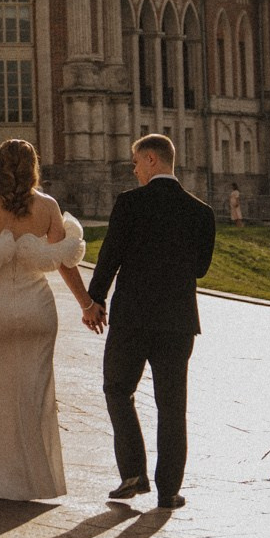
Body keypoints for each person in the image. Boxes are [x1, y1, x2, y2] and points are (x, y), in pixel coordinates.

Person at [0, 139, 93, 501]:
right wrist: (86, 303)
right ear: (34, 168)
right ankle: (36, 479)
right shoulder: (48, 206)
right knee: (36, 391)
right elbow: (65, 261)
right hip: (37, 307)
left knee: (0, 387)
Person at [86, 133, 215, 511]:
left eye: (137, 162)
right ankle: (168, 491)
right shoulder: (201, 212)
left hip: (132, 318)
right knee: (172, 406)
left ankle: (133, 473)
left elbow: (110, 256)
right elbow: (202, 269)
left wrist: (96, 300)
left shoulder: (129, 203)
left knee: (117, 389)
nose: (135, 169)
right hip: (178, 322)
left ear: (153, 160)